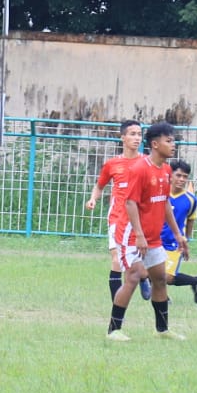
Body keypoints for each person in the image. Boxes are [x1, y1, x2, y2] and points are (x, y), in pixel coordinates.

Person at [107, 122, 188, 341]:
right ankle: (114, 330)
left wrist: (178, 234)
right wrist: (140, 235)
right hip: (132, 235)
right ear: (155, 144)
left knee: (160, 279)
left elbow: (164, 204)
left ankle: (162, 329)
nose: (173, 144)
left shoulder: (166, 170)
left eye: (173, 140)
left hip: (153, 237)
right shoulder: (140, 168)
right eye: (168, 141)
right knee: (133, 277)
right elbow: (130, 203)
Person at [87, 120, 150, 301]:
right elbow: (99, 186)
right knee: (116, 259)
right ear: (123, 138)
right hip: (117, 218)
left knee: (138, 260)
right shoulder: (112, 164)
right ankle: (117, 302)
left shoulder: (146, 162)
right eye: (132, 134)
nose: (137, 138)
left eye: (139, 134)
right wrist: (93, 199)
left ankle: (144, 277)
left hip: (140, 219)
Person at [160, 159, 197, 304]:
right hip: (155, 240)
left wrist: (187, 240)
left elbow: (190, 220)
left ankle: (195, 281)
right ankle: (163, 298)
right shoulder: (160, 194)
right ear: (170, 175)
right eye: (178, 175)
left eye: (185, 177)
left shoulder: (191, 200)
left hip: (175, 243)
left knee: (168, 278)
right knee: (145, 271)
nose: (182, 179)